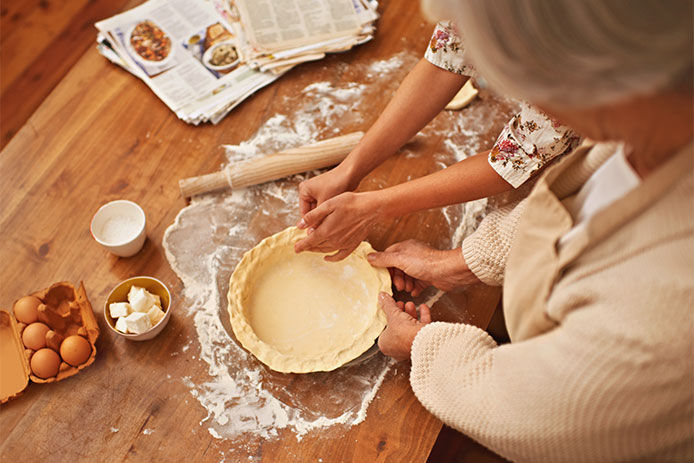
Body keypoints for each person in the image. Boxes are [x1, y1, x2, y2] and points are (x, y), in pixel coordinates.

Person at [368, 0, 694, 461]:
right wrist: (459, 264)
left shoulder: (661, 317)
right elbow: (578, 208)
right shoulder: (654, 116)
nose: (527, 110)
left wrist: (422, 345)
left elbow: (528, 412)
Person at [293, 21, 579, 262]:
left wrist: (374, 207)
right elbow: (447, 60)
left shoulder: (574, 33)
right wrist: (349, 170)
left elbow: (514, 158)